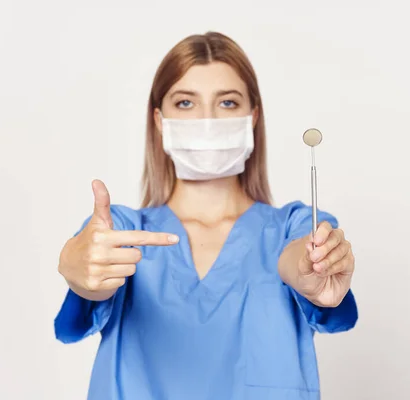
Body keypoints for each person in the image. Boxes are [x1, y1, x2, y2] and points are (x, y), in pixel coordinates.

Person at [54, 31, 358, 400]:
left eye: (227, 103)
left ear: (253, 116)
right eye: (185, 103)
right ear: (159, 119)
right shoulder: (123, 232)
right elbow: (92, 273)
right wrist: (74, 262)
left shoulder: (294, 228)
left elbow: (295, 260)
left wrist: (312, 269)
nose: (207, 120)